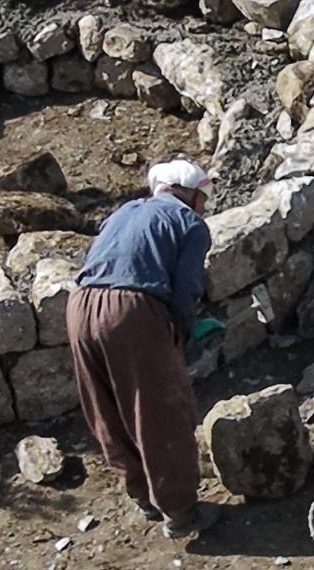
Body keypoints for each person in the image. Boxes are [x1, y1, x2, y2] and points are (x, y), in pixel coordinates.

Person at [67, 160, 215, 539]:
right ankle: (180, 511)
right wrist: (180, 336)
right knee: (157, 408)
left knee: (106, 407)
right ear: (194, 195)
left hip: (80, 305)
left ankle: (141, 496)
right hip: (130, 310)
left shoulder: (124, 211)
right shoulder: (191, 225)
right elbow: (186, 289)